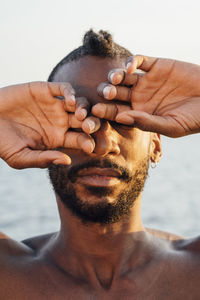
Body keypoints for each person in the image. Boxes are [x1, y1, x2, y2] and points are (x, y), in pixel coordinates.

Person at [0, 30, 199, 299]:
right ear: (42, 139)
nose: (103, 145)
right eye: (75, 121)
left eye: (125, 120)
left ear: (156, 145)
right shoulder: (7, 274)